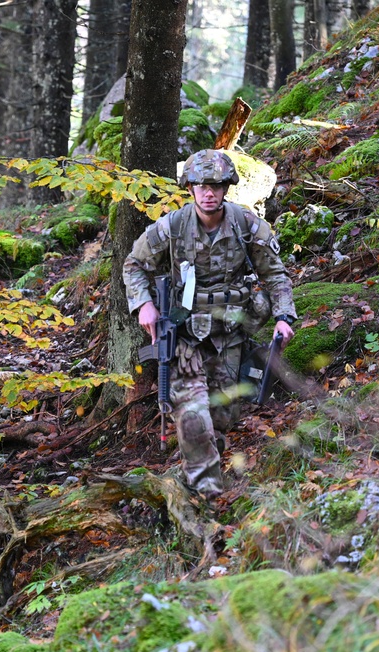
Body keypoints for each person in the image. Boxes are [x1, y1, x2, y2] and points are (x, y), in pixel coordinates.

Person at [122, 149, 298, 498]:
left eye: (216, 185)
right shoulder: (171, 227)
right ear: (189, 187)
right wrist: (143, 304)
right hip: (186, 338)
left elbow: (275, 275)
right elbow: (134, 264)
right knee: (192, 414)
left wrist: (283, 317)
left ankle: (199, 474)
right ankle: (208, 495)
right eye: (201, 184)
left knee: (221, 418)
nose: (209, 192)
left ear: (227, 187)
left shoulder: (247, 225)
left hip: (230, 338)